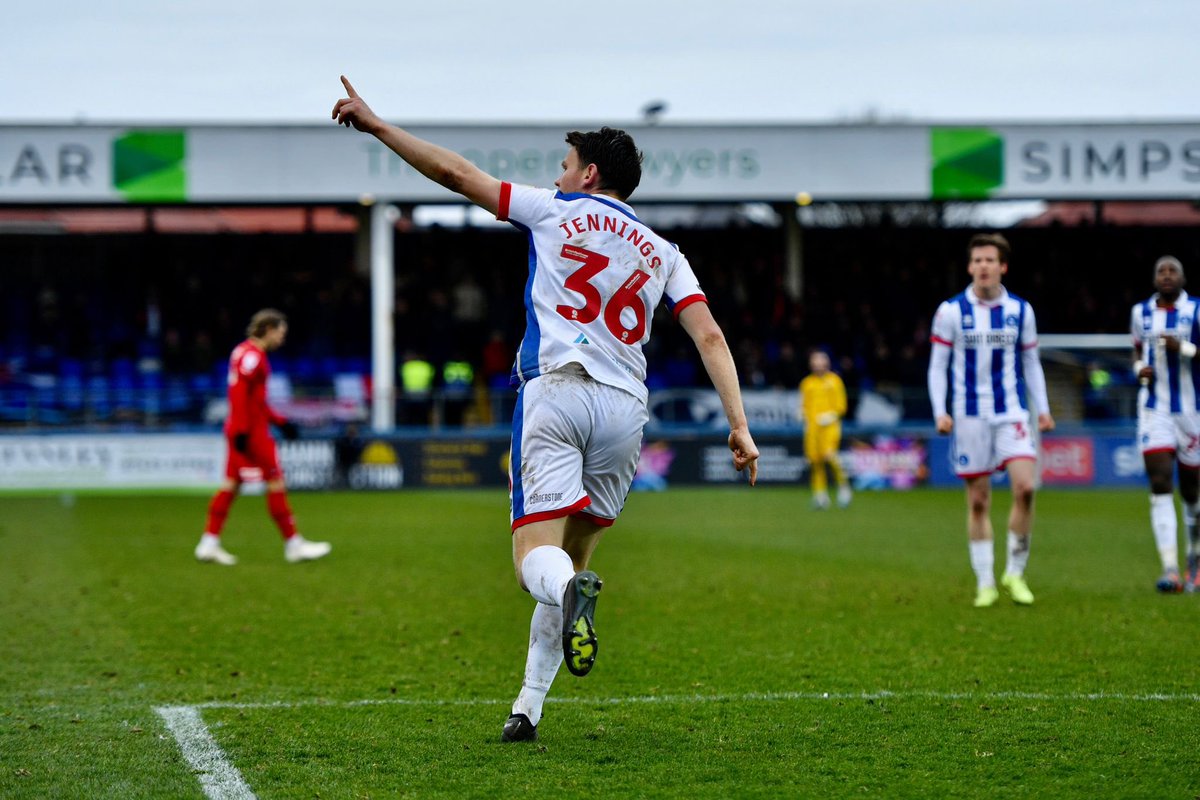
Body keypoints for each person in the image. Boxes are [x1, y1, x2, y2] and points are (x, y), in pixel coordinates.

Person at [332, 76, 760, 742]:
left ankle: (565, 606)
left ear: (589, 174)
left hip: (556, 390)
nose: (556, 176)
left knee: (537, 558)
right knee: (572, 560)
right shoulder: (667, 254)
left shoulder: (556, 209)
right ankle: (527, 708)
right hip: (625, 410)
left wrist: (380, 126)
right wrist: (739, 424)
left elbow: (455, 173)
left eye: (564, 166)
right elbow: (709, 335)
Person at [926, 233, 1054, 607]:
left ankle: (1014, 573)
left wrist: (1042, 408)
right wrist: (940, 410)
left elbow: (1030, 362)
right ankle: (985, 581)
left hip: (1011, 411)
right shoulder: (950, 311)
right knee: (979, 500)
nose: (983, 266)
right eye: (977, 260)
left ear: (1003, 267)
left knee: (1026, 488)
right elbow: (938, 366)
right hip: (969, 416)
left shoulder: (1020, 310)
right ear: (970, 267)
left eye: (989, 260)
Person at [195, 309, 332, 565]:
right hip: (251, 432)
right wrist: (243, 431)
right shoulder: (253, 357)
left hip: (243, 427)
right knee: (275, 481)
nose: (282, 339)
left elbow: (255, 400)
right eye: (281, 333)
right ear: (268, 329)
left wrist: (281, 423)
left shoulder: (242, 351)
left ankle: (208, 543)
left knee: (231, 484)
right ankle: (294, 545)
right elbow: (239, 395)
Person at [1130, 255, 1200, 593]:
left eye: (1173, 270)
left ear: (1183, 278)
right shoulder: (1140, 312)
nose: (1167, 276)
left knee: (1192, 490)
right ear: (1155, 278)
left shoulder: (1197, 310)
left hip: (1192, 411)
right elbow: (1136, 351)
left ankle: (1195, 559)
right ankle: (1170, 569)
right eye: (1161, 271)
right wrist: (1137, 369)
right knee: (1159, 483)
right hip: (1153, 409)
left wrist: (1182, 348)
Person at [798, 349, 851, 509]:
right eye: (815, 361)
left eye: (821, 360)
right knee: (815, 461)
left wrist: (831, 415)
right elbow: (805, 405)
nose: (818, 364)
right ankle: (820, 495)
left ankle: (844, 487)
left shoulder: (834, 381)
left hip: (830, 427)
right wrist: (802, 414)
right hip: (812, 428)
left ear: (826, 362)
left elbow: (841, 406)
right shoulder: (807, 383)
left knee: (830, 456)